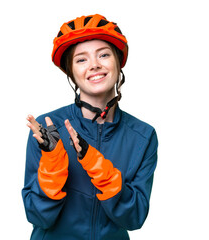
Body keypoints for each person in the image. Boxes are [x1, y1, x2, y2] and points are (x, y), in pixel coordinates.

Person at [22, 14, 158, 240]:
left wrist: (100, 169)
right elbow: (38, 217)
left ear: (118, 62)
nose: (95, 65)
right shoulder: (47, 129)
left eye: (104, 55)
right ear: (71, 72)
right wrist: (53, 163)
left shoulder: (143, 136)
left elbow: (134, 218)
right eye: (81, 59)